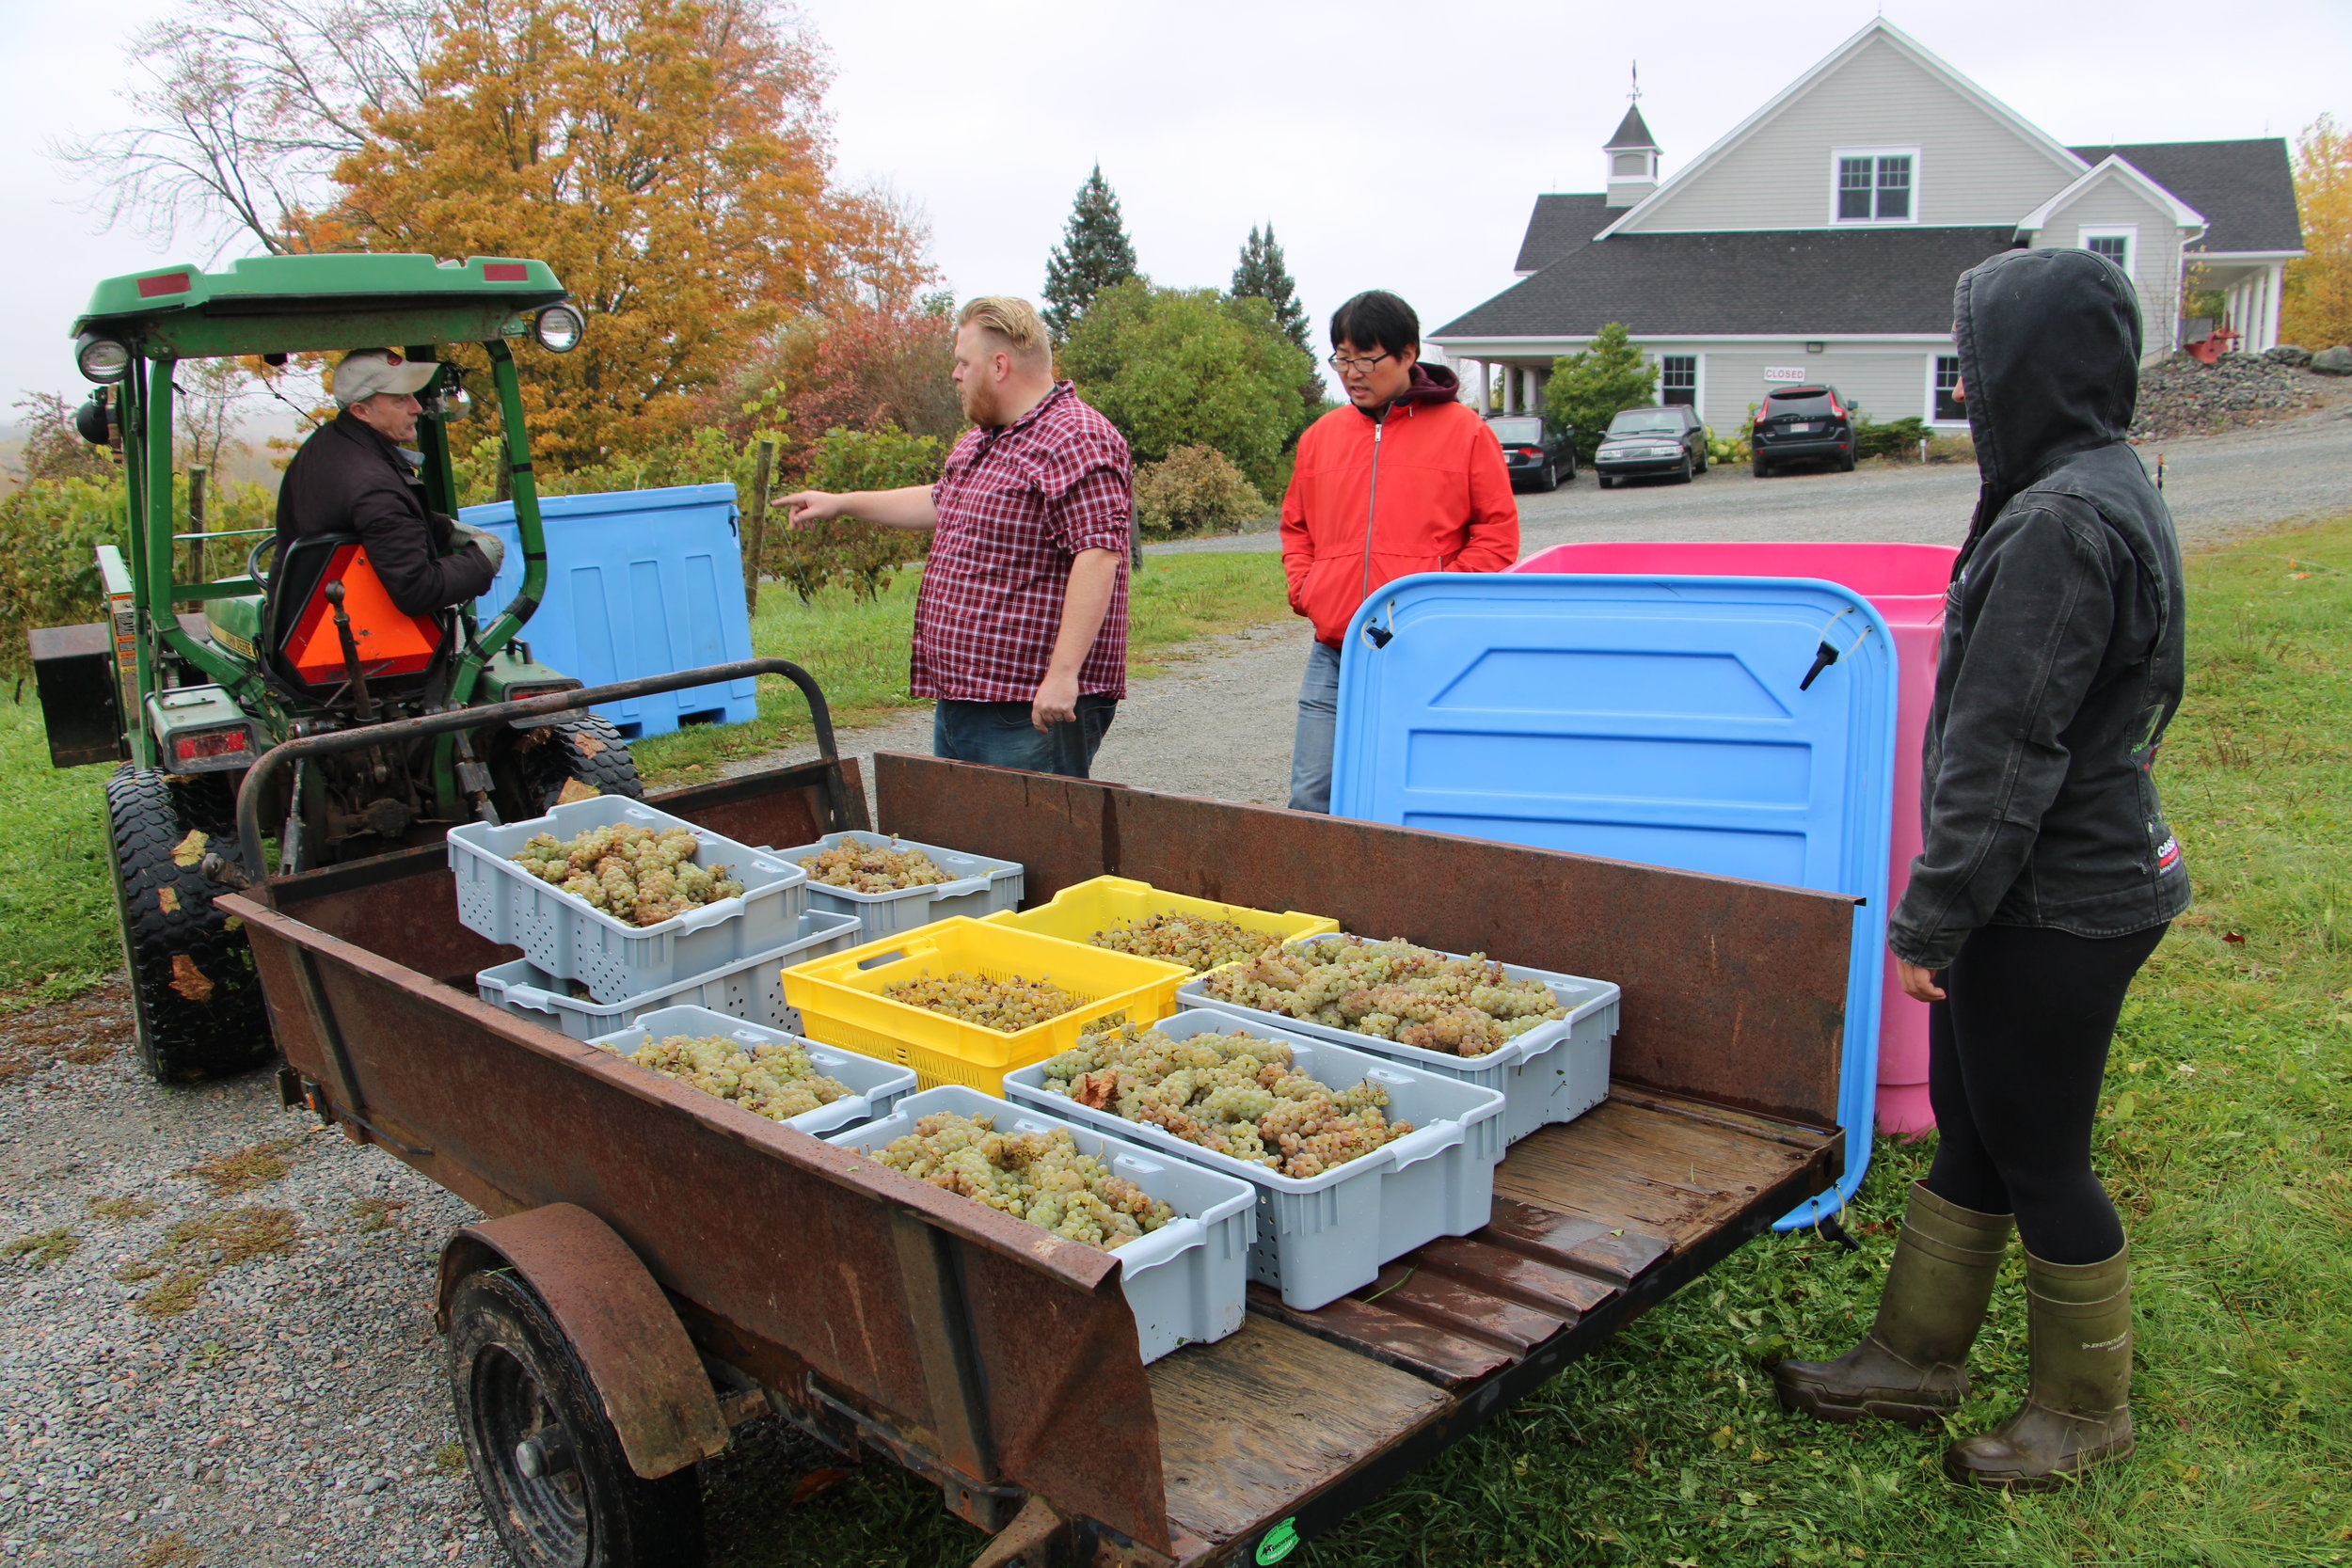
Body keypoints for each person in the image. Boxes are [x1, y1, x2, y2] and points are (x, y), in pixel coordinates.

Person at [1771, 247, 2188, 1490]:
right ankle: (1912, 1354)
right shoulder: (2089, 479)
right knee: (1978, 1120)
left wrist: (1933, 919)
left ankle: (2081, 1409)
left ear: (2030, 367)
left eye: (1978, 361)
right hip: (2053, 882)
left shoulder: (2062, 519)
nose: (1968, 386)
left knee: (2043, 1153)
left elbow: (2006, 753)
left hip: (2059, 897)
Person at [781, 296, 1131, 778]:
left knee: (1033, 844)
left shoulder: (1075, 436)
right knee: (970, 844)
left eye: (963, 362)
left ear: (999, 365)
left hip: (1028, 702)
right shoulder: (983, 439)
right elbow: (940, 500)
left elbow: (1098, 555)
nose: (955, 374)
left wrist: (1063, 674)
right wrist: (843, 501)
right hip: (965, 691)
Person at [1279, 291, 1518, 813]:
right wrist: (1307, 589)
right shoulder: (1320, 437)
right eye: (1342, 358)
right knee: (1312, 795)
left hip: (1426, 651)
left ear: (1408, 354)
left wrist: (1430, 603)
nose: (1352, 372)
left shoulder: (1467, 433)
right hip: (1336, 650)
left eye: (1366, 358)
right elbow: (1296, 527)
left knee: (1416, 795)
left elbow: (1497, 537)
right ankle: (1311, 898)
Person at [276, 349, 504, 614]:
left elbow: (390, 525)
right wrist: (483, 558)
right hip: (350, 641)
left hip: (302, 616)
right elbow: (418, 589)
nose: (416, 408)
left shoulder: (330, 443)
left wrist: (446, 529)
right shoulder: (374, 486)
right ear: (361, 411)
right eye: (399, 400)